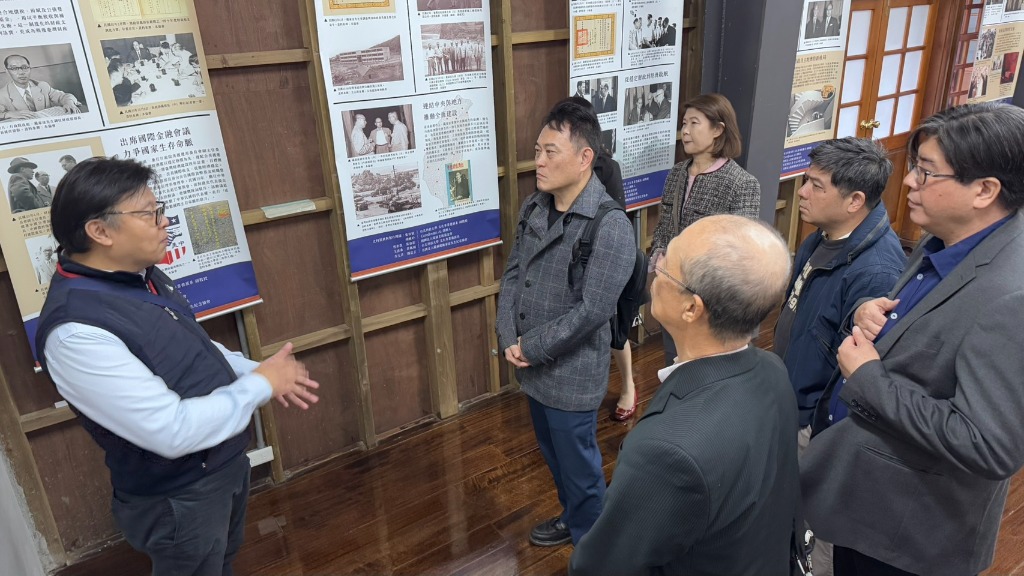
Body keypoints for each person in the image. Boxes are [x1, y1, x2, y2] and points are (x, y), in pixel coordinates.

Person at [35, 157, 320, 576]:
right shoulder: (76, 332)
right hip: (178, 494)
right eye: (149, 214)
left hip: (222, 464)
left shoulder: (141, 276)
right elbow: (171, 430)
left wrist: (255, 370)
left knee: (221, 562)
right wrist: (260, 384)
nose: (164, 222)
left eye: (160, 209)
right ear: (100, 231)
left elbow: (193, 346)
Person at [801, 102, 1024, 576]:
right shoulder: (944, 238)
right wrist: (869, 308)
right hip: (862, 500)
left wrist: (868, 380)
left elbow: (988, 444)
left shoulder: (1012, 294)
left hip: (907, 536)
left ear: (985, 190)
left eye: (925, 172)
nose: (907, 182)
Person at [569, 215, 799, 576]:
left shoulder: (665, 452)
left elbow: (600, 567)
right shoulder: (773, 370)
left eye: (666, 266)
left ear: (692, 308)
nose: (655, 267)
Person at [496, 98, 635, 548]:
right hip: (533, 367)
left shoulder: (610, 225)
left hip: (572, 374)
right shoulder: (534, 207)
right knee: (555, 458)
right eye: (538, 150)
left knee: (580, 469)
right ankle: (574, 517)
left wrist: (531, 347)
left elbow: (593, 311)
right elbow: (513, 272)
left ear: (584, 157)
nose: (538, 161)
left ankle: (594, 547)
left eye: (550, 151)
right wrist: (507, 335)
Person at [772, 138, 905, 576]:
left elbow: (856, 370)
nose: (802, 192)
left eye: (816, 185)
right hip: (790, 403)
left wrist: (813, 425)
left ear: (855, 201)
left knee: (815, 530)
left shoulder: (876, 270)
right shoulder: (821, 237)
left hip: (815, 424)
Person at [650, 93, 760, 365]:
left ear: (718, 130)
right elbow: (664, 226)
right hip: (672, 286)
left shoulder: (741, 183)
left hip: (711, 301)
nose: (685, 131)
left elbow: (740, 253)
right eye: (684, 124)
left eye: (694, 123)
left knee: (705, 366)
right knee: (672, 360)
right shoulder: (677, 173)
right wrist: (660, 257)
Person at [0, 54, 81, 121]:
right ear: (7, 71)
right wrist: (7, 114)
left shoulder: (42, 85)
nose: (21, 72)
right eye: (14, 68)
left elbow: (64, 96)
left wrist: (69, 103)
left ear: (30, 68)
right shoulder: (2, 95)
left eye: (24, 67)